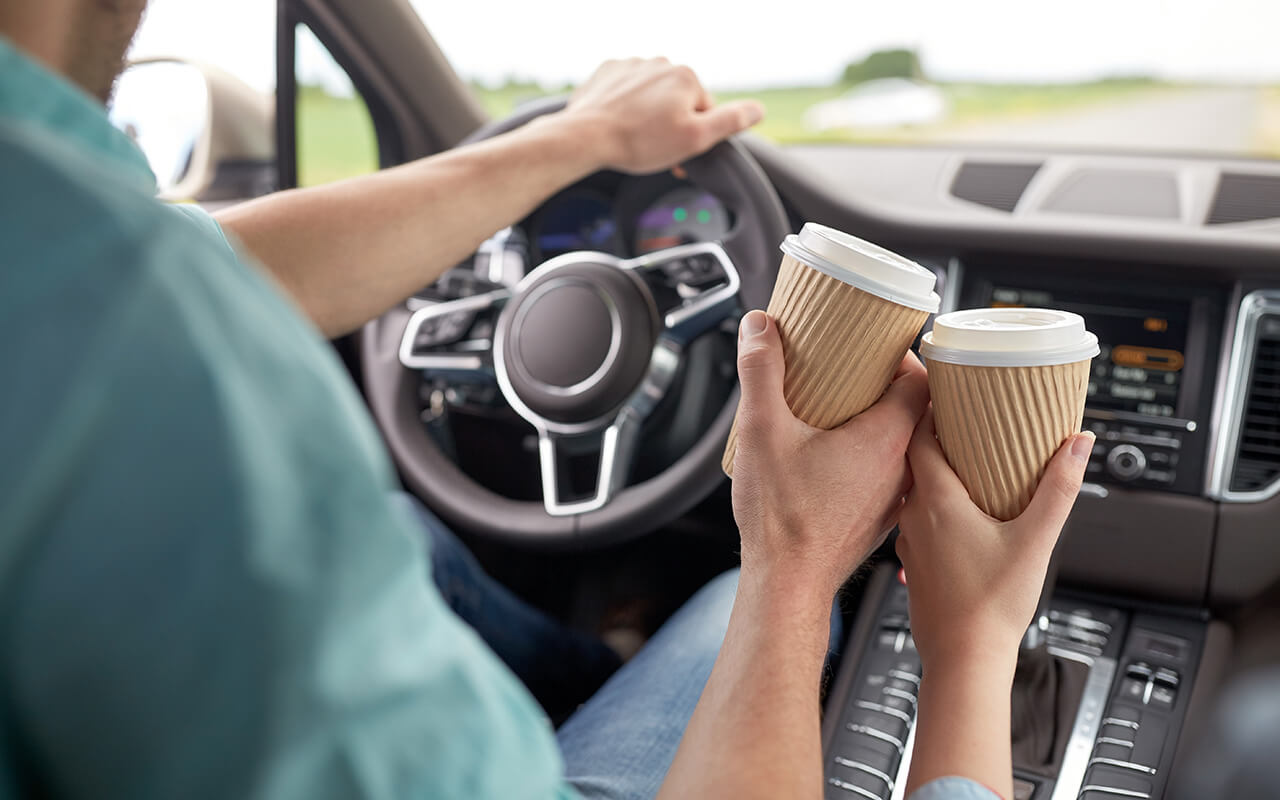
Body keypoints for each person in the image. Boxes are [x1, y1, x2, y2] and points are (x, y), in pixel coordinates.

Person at [0, 1, 1089, 798]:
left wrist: (581, 140)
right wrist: (929, 621)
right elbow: (165, 282)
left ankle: (603, 660)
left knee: (396, 527)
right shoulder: (127, 321)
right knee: (723, 608)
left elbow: (226, 261)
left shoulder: (67, 258)